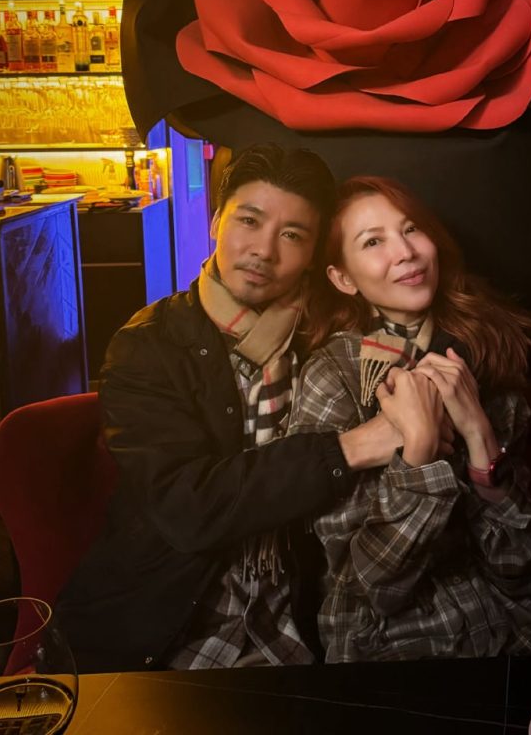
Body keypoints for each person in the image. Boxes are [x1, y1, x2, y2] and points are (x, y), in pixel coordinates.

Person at [54, 145, 411, 673]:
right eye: (249, 220)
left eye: (292, 235)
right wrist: (347, 449)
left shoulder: (330, 339)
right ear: (217, 220)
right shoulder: (147, 346)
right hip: (171, 621)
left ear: (315, 254)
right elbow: (187, 507)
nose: (264, 250)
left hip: (297, 619)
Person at [289, 175, 531, 663]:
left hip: (513, 635)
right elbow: (370, 589)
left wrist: (479, 433)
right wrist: (418, 453)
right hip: (391, 648)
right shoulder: (333, 375)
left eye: (411, 229)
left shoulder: (483, 351)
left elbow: (521, 569)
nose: (406, 252)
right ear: (344, 279)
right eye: (372, 242)